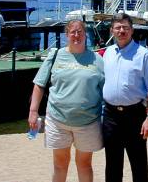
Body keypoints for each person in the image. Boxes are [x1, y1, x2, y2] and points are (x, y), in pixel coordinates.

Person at [29, 20, 104, 182]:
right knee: (60, 164)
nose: (76, 36)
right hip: (57, 120)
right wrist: (33, 111)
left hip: (88, 122)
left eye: (80, 32)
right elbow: (39, 84)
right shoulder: (56, 55)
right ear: (67, 34)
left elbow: (107, 89)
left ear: (85, 34)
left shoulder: (97, 59)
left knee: (84, 164)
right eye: (73, 32)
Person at [102, 13, 148, 182]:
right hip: (110, 116)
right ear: (112, 30)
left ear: (132, 30)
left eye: (125, 28)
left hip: (135, 116)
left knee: (139, 165)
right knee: (112, 165)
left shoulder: (143, 55)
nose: (122, 31)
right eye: (118, 28)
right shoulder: (107, 53)